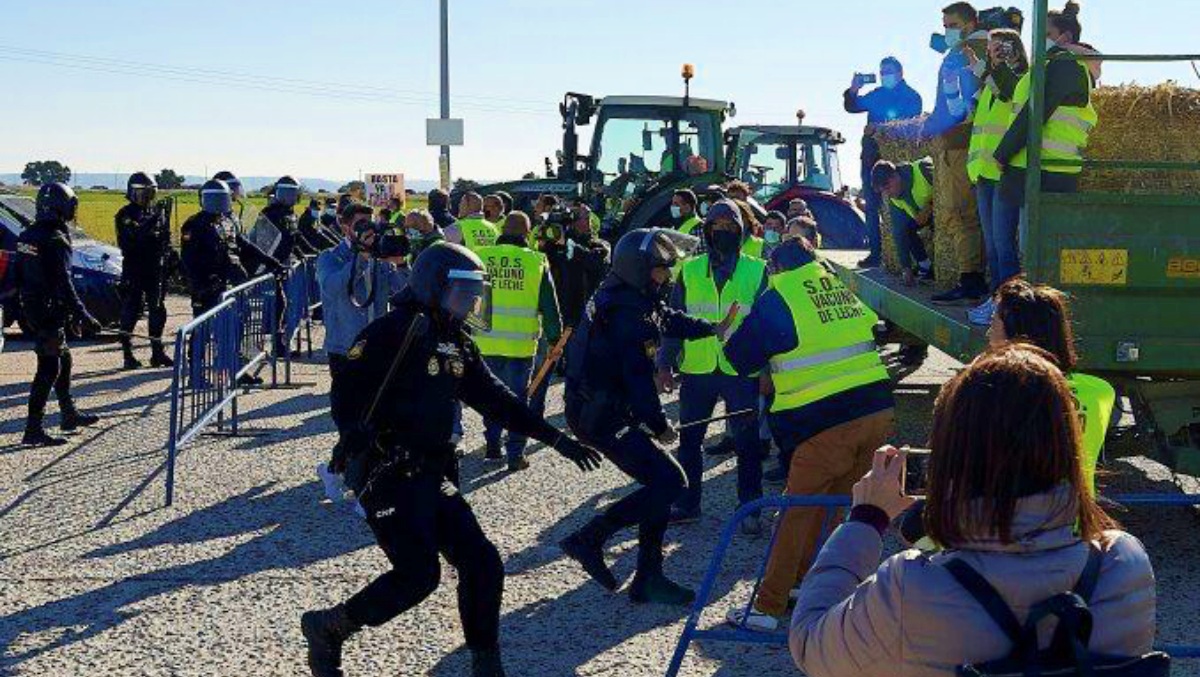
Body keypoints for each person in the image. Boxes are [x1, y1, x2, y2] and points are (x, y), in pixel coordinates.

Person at [301, 242, 602, 677]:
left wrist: (556, 440)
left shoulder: (456, 342)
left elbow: (496, 399)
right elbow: (345, 387)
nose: (472, 302)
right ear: (432, 287)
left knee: (482, 562)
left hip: (432, 471)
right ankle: (329, 627)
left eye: (475, 293)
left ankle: (486, 663)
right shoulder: (392, 331)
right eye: (463, 293)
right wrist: (351, 429)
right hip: (387, 473)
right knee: (419, 576)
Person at [788, 344, 1154, 677]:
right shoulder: (1123, 564)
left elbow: (810, 643)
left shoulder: (912, 587)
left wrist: (866, 519)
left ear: (952, 455)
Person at [721, 235, 894, 632]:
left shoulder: (780, 295)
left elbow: (739, 359)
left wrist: (728, 332)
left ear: (776, 267)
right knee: (839, 510)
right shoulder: (835, 284)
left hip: (826, 421)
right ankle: (816, 588)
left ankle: (766, 607)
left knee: (796, 512)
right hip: (877, 411)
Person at [560, 228, 736, 606]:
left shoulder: (630, 295)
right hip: (600, 414)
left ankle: (647, 577)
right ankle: (590, 539)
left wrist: (712, 329)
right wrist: (658, 425)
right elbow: (639, 379)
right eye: (661, 269)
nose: (667, 277)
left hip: (599, 407)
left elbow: (666, 318)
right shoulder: (626, 313)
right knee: (671, 480)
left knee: (661, 483)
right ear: (639, 268)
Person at [656, 200, 767, 533]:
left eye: (730, 226)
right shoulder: (689, 271)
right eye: (716, 226)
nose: (723, 231)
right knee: (690, 440)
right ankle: (688, 503)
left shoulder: (758, 270)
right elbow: (672, 322)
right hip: (699, 370)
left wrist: (766, 371)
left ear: (742, 230)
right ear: (706, 231)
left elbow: (767, 326)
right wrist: (664, 362)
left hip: (741, 371)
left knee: (747, 443)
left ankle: (750, 508)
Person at [315, 203, 410, 503]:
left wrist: (399, 262)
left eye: (369, 224)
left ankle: (352, 477)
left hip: (378, 347)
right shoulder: (330, 258)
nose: (367, 231)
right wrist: (358, 256)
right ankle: (346, 475)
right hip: (345, 348)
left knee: (376, 418)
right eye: (359, 225)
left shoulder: (380, 256)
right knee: (353, 419)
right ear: (344, 227)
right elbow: (333, 289)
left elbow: (404, 291)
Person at [994, 0, 1097, 276]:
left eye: (1046, 35)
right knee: (1010, 242)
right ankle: (1004, 300)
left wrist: (1002, 153)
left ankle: (1017, 305)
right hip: (1029, 165)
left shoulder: (1066, 65)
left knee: (1030, 249)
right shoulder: (1051, 64)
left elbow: (1034, 114)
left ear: (1065, 37)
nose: (1039, 42)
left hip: (1044, 168)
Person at [988, 279, 1114, 492]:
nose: (988, 335)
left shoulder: (996, 390)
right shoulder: (1101, 391)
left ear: (1015, 333)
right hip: (1079, 516)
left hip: (1015, 518)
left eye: (993, 324)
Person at [474, 212, 563, 471]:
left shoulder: (481, 256)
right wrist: (555, 340)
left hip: (484, 343)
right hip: (520, 346)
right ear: (527, 233)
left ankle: (492, 445)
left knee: (490, 396)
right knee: (517, 401)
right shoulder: (535, 261)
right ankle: (515, 455)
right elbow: (549, 306)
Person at [17, 183, 102, 447]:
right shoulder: (56, 238)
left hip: (33, 307)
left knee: (63, 359)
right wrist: (84, 315)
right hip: (51, 310)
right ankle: (33, 429)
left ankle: (68, 414)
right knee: (49, 367)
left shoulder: (27, 235)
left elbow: (21, 274)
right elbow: (64, 282)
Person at [924, 2, 990, 304]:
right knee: (958, 212)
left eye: (951, 25)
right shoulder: (966, 49)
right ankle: (970, 276)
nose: (946, 30)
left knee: (961, 212)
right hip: (953, 141)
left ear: (968, 23)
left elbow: (965, 104)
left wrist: (938, 125)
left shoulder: (971, 50)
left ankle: (971, 279)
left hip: (960, 142)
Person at [966, 29, 1029, 326]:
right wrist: (982, 68)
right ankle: (996, 301)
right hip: (984, 173)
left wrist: (994, 67)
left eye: (998, 48)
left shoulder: (1022, 80)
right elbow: (982, 101)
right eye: (991, 49)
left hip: (1003, 172)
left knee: (1004, 246)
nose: (993, 53)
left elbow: (1008, 90)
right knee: (992, 246)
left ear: (1013, 48)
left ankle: (1010, 309)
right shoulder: (996, 79)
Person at [843, 56, 925, 268]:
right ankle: (876, 253)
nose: (884, 75)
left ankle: (905, 258)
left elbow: (909, 126)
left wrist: (879, 130)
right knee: (871, 207)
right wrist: (853, 90)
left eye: (888, 71)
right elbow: (852, 107)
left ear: (900, 72)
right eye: (881, 72)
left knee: (896, 210)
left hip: (897, 162)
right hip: (871, 159)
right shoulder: (877, 94)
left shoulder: (912, 96)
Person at [180, 179, 283, 317]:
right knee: (203, 326)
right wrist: (199, 285)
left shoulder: (228, 222)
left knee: (240, 317)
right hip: (207, 285)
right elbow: (188, 259)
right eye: (214, 199)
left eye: (221, 198)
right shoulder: (194, 224)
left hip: (232, 279)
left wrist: (269, 260)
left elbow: (245, 245)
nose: (218, 203)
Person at [114, 172, 175, 369]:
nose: (148, 198)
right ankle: (127, 353)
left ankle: (157, 352)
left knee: (158, 310)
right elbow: (135, 237)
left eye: (151, 193)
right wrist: (155, 218)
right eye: (144, 193)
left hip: (155, 270)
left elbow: (164, 240)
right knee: (131, 310)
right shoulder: (125, 215)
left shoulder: (154, 214)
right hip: (134, 269)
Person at [538, 203, 610, 330]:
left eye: (587, 217)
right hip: (561, 313)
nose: (588, 221)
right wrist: (547, 242)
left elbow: (595, 262)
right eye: (584, 217)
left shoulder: (599, 245)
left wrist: (571, 247)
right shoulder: (557, 246)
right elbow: (545, 265)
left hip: (587, 314)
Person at [872, 159, 935, 286]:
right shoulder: (894, 199)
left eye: (888, 187)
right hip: (923, 217)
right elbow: (898, 232)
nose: (888, 194)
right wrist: (906, 268)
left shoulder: (923, 169)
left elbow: (949, 186)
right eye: (884, 191)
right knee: (905, 230)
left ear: (895, 176)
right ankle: (925, 266)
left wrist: (930, 206)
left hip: (942, 211)